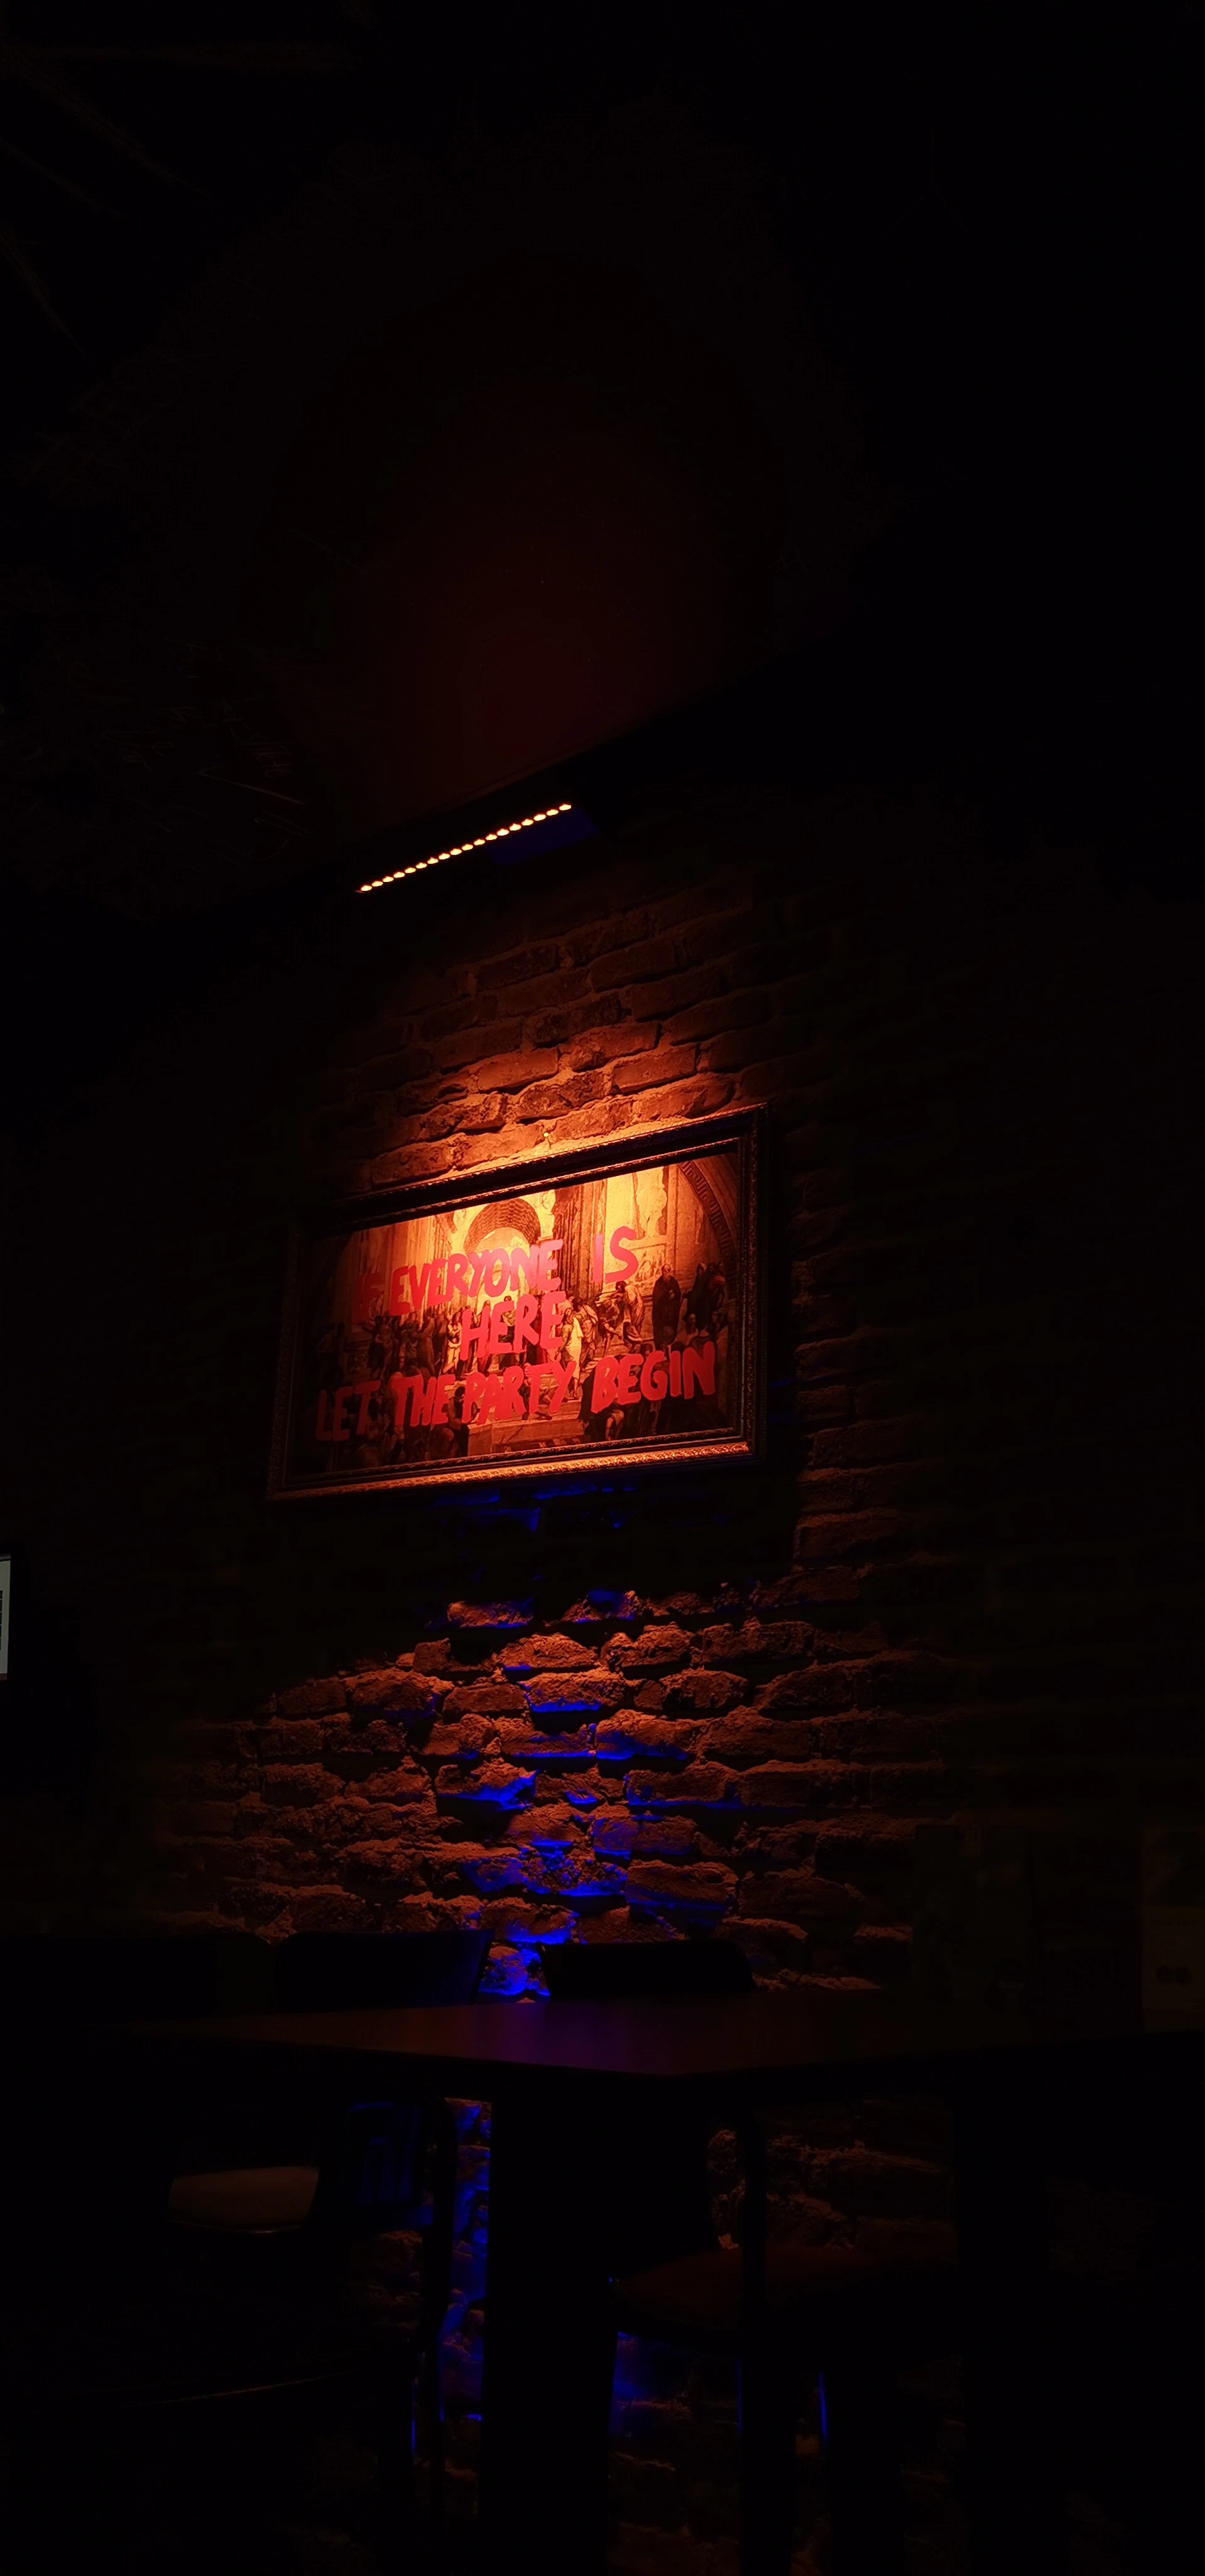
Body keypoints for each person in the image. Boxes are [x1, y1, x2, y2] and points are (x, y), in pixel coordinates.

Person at [651, 1267, 682, 1349]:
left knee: (671, 1331)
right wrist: (668, 1295)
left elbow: (678, 1294)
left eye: (666, 1271)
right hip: (662, 1314)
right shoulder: (659, 1283)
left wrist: (674, 1294)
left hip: (672, 1313)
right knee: (662, 1332)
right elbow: (657, 1298)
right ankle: (662, 1348)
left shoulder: (673, 1282)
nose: (664, 1273)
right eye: (663, 1271)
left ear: (669, 1272)